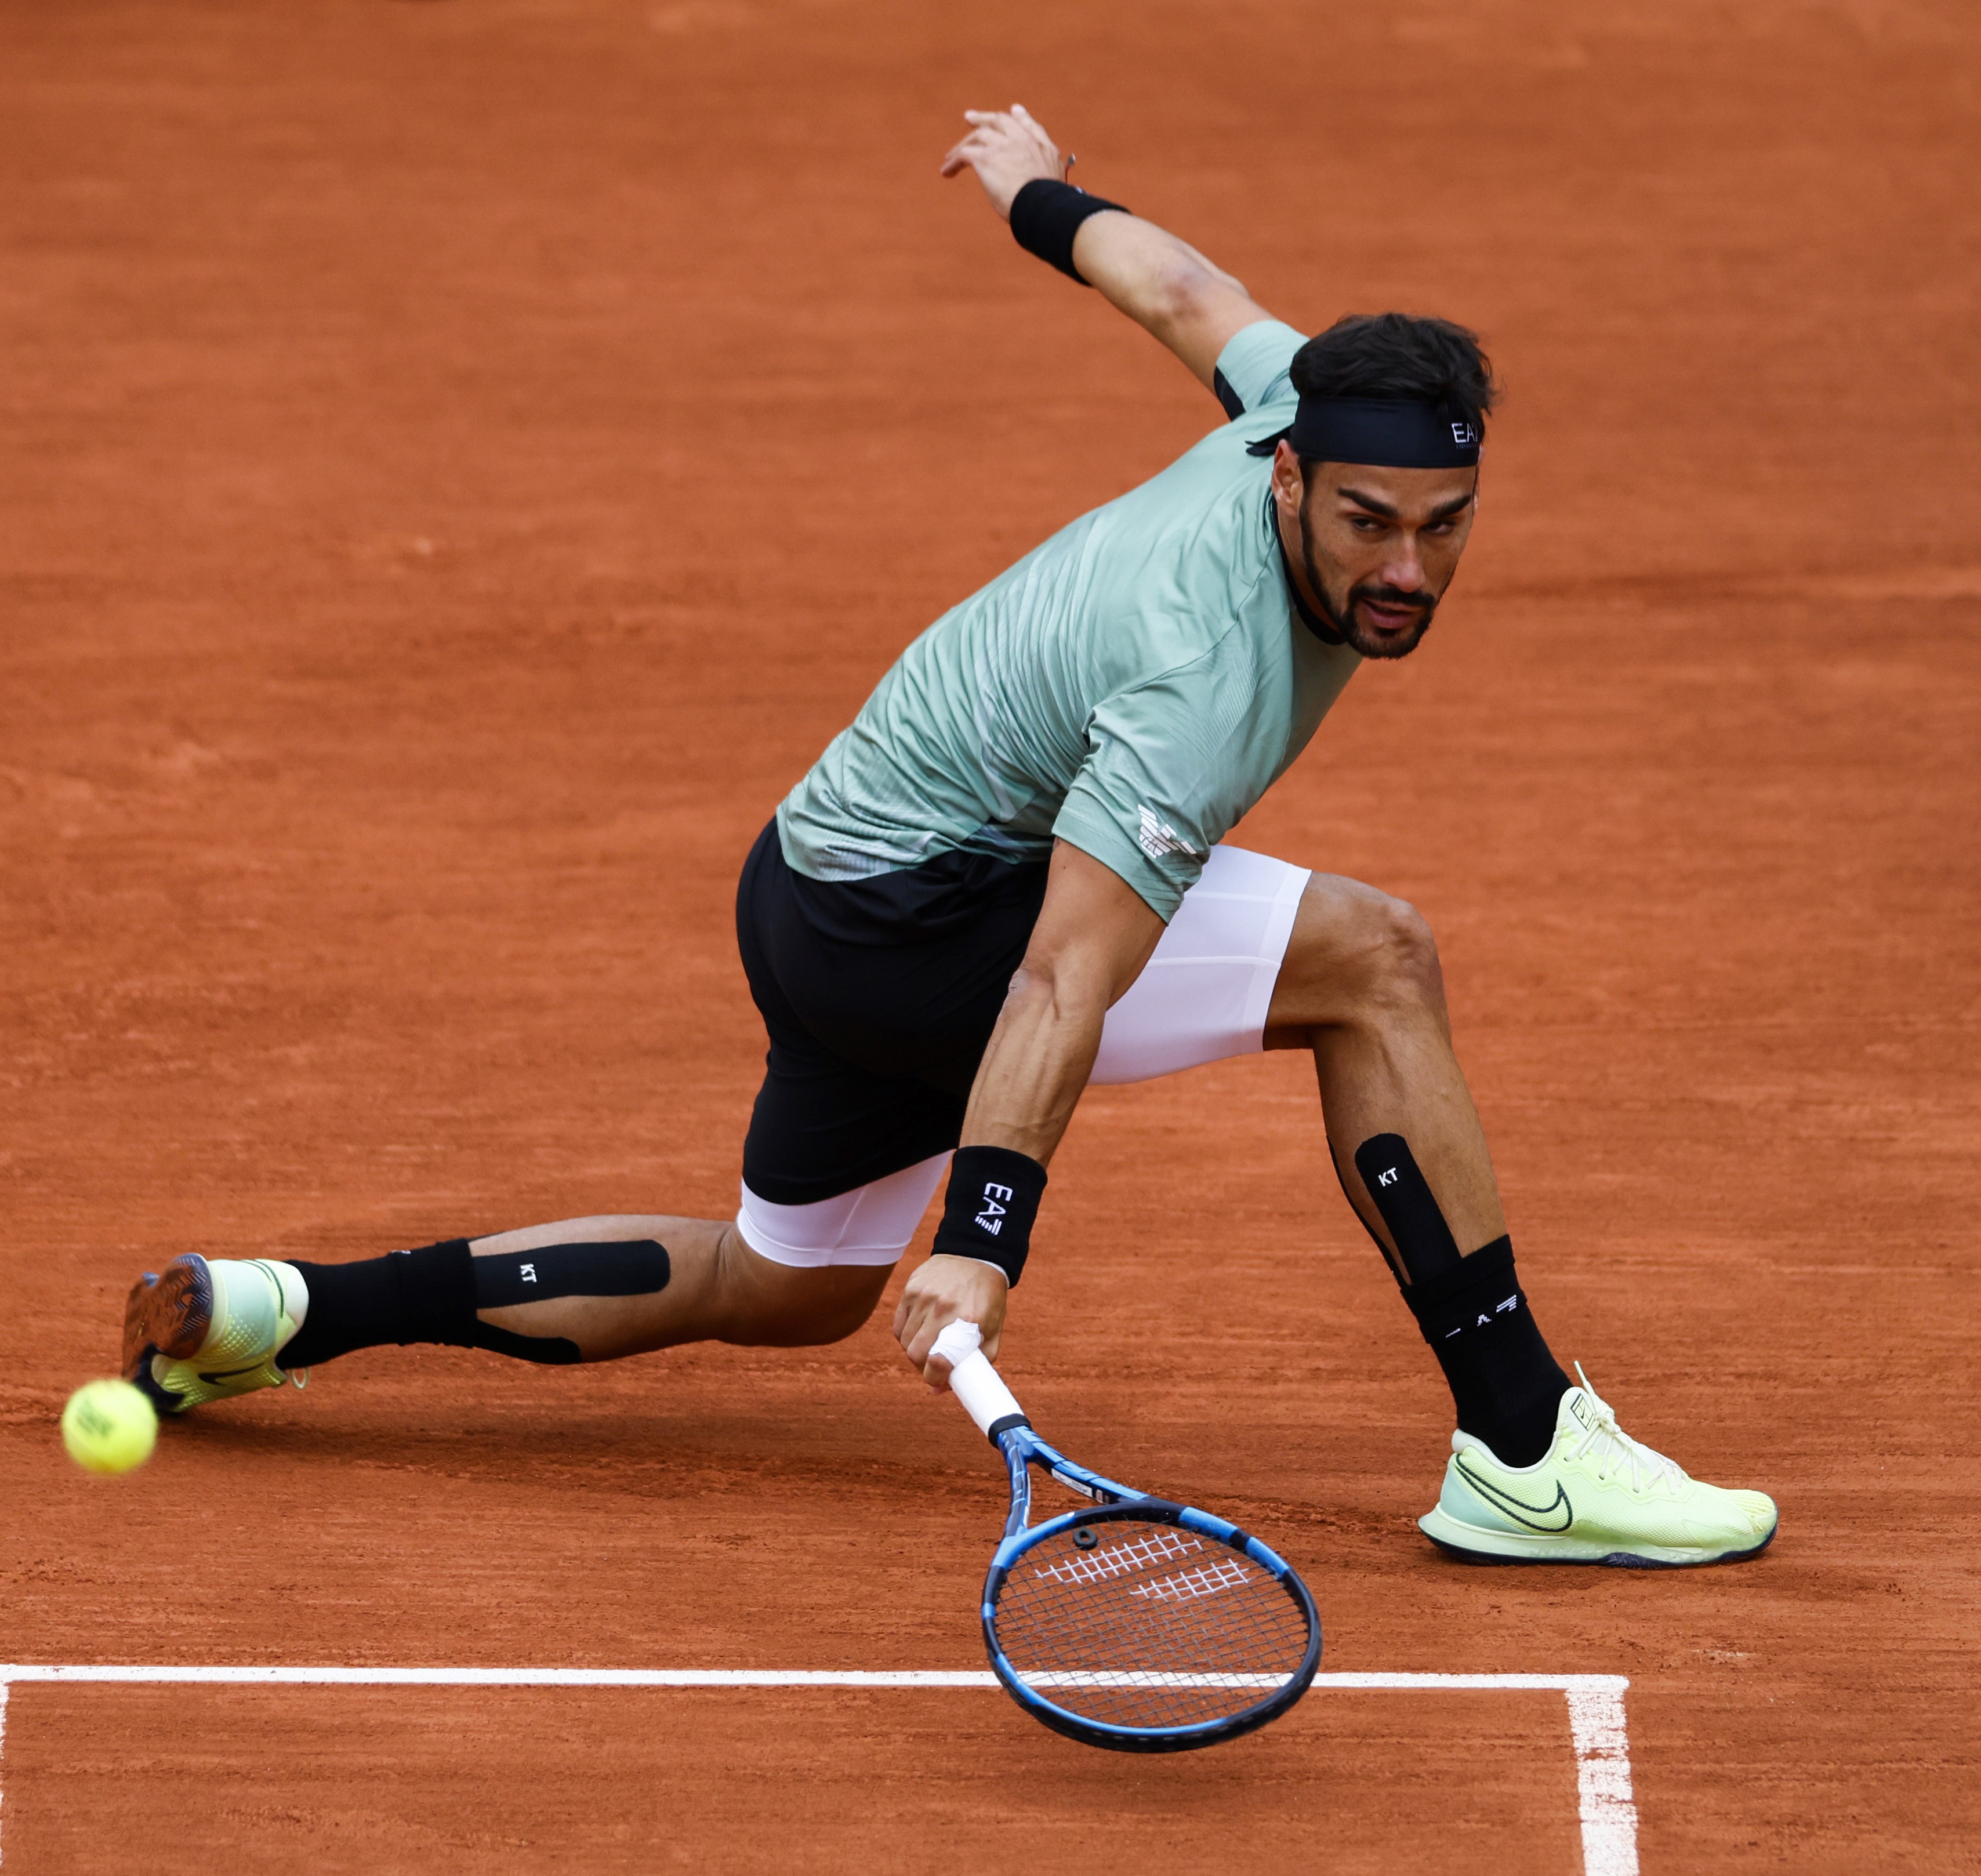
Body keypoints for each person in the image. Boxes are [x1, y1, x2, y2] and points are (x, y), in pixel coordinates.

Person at [118, 104, 1775, 1567]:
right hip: (920, 923)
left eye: (1443, 526)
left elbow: (1180, 289)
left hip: (809, 884)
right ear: (1284, 478)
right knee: (1374, 959)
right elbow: (1060, 975)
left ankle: (287, 1310)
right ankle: (1523, 1449)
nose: (1404, 569)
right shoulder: (1197, 672)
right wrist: (986, 1244)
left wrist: (1037, 193)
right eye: (1365, 524)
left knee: (779, 1285)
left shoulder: (1296, 394)